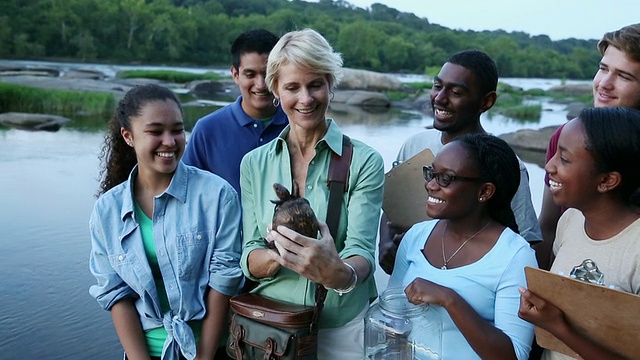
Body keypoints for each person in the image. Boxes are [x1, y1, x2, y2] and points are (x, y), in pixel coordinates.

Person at [239, 28, 384, 359]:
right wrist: (281, 255)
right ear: (275, 89)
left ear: (331, 85)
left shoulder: (364, 161)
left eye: (315, 84)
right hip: (272, 325)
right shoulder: (253, 164)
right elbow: (248, 254)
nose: (305, 99)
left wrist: (340, 273)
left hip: (342, 328)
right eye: (292, 87)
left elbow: (363, 253)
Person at [89, 84, 244, 360]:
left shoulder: (218, 196)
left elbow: (224, 281)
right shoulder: (107, 211)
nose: (170, 141)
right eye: (155, 131)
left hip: (210, 350)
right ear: (128, 136)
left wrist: (204, 356)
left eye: (177, 129)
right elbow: (116, 294)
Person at [379, 49, 541, 275]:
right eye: (437, 86)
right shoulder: (415, 144)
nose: (439, 98)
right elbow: (392, 205)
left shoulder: (504, 165)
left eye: (456, 91)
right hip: (409, 279)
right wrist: (385, 246)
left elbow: (526, 242)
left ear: (486, 101)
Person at [388, 133, 538, 359]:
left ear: (484, 191)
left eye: (445, 178)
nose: (430, 185)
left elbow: (514, 355)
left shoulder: (515, 256)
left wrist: (450, 300)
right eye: (431, 173)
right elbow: (391, 314)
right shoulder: (416, 236)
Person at [519, 107, 640, 360]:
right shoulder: (571, 220)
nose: (550, 166)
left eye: (564, 159)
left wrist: (557, 327)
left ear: (607, 180)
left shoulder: (635, 248)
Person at [537, 23, 640, 270]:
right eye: (603, 69)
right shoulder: (566, 137)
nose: (605, 83)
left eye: (624, 76)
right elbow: (549, 224)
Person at [182, 29, 288, 194]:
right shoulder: (207, 130)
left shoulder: (297, 124)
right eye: (250, 74)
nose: (260, 84)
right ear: (235, 74)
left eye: (267, 74)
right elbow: (185, 190)